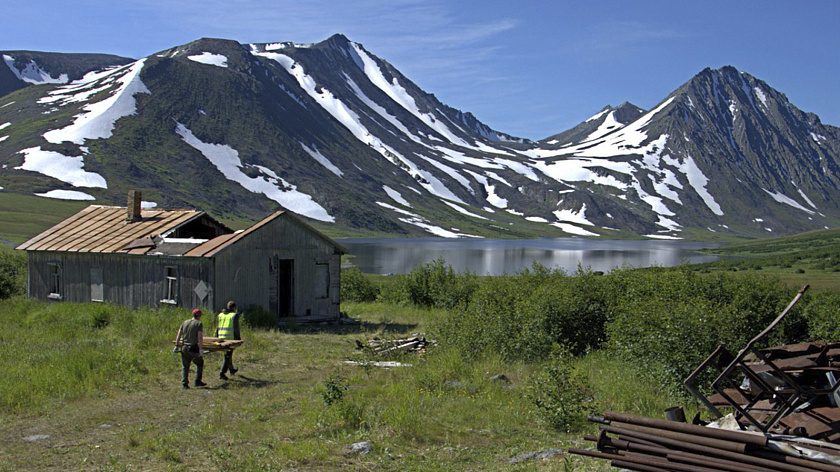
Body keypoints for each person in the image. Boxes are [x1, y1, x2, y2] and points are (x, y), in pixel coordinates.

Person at [174, 308, 207, 389]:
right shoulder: (198, 324)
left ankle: (184, 384)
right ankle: (197, 381)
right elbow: (200, 338)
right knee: (200, 363)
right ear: (199, 316)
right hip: (193, 348)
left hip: (184, 347)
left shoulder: (185, 322)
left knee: (185, 366)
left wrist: (176, 345)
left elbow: (179, 335)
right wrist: (201, 349)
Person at [216, 300, 241, 380]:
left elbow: (217, 327)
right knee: (228, 355)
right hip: (230, 338)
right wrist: (238, 339)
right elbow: (236, 328)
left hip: (221, 337)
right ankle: (222, 373)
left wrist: (215, 337)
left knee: (228, 354)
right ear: (234, 307)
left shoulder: (220, 315)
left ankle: (232, 370)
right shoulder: (234, 315)